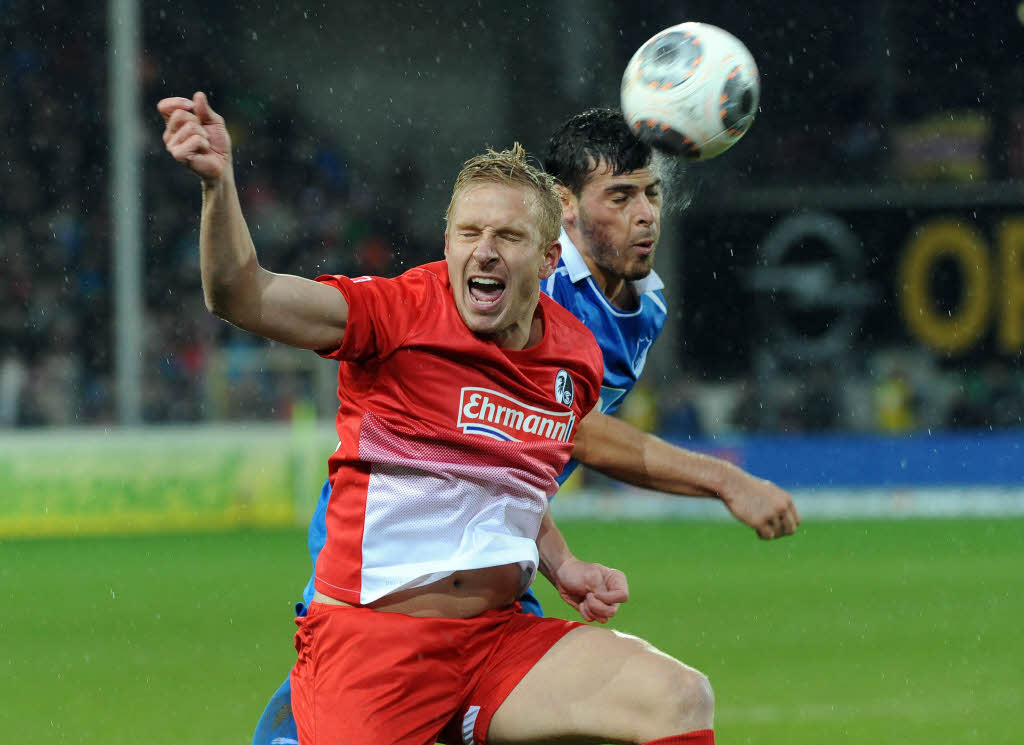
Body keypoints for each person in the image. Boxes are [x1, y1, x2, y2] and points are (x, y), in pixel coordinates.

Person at [160, 90, 719, 745]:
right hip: (373, 648)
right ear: (446, 243)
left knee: (678, 697)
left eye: (508, 236)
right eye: (469, 233)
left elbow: (514, 472)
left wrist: (563, 564)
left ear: (546, 260)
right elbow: (240, 293)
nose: (484, 251)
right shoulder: (389, 315)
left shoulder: (574, 358)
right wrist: (218, 185)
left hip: (495, 640)